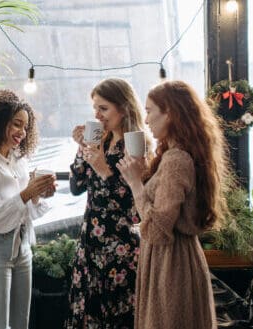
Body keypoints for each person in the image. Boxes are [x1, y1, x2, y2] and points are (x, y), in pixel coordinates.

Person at [116, 80, 231, 329]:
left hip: (171, 264)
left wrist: (136, 183)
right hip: (178, 259)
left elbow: (157, 230)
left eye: (149, 111)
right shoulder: (179, 155)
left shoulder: (176, 159)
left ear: (170, 112)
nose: (145, 120)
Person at [0, 89, 56, 329]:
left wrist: (39, 194)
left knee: (19, 324)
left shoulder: (18, 160)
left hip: (22, 246)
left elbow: (26, 210)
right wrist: (27, 193)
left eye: (25, 127)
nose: (22, 133)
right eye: (16, 124)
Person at [65, 78, 152, 329]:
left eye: (103, 108)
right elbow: (75, 188)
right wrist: (83, 149)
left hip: (120, 251)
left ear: (123, 108)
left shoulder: (136, 146)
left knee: (116, 318)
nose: (97, 115)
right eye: (95, 108)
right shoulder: (100, 141)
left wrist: (104, 170)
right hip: (90, 246)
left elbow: (134, 211)